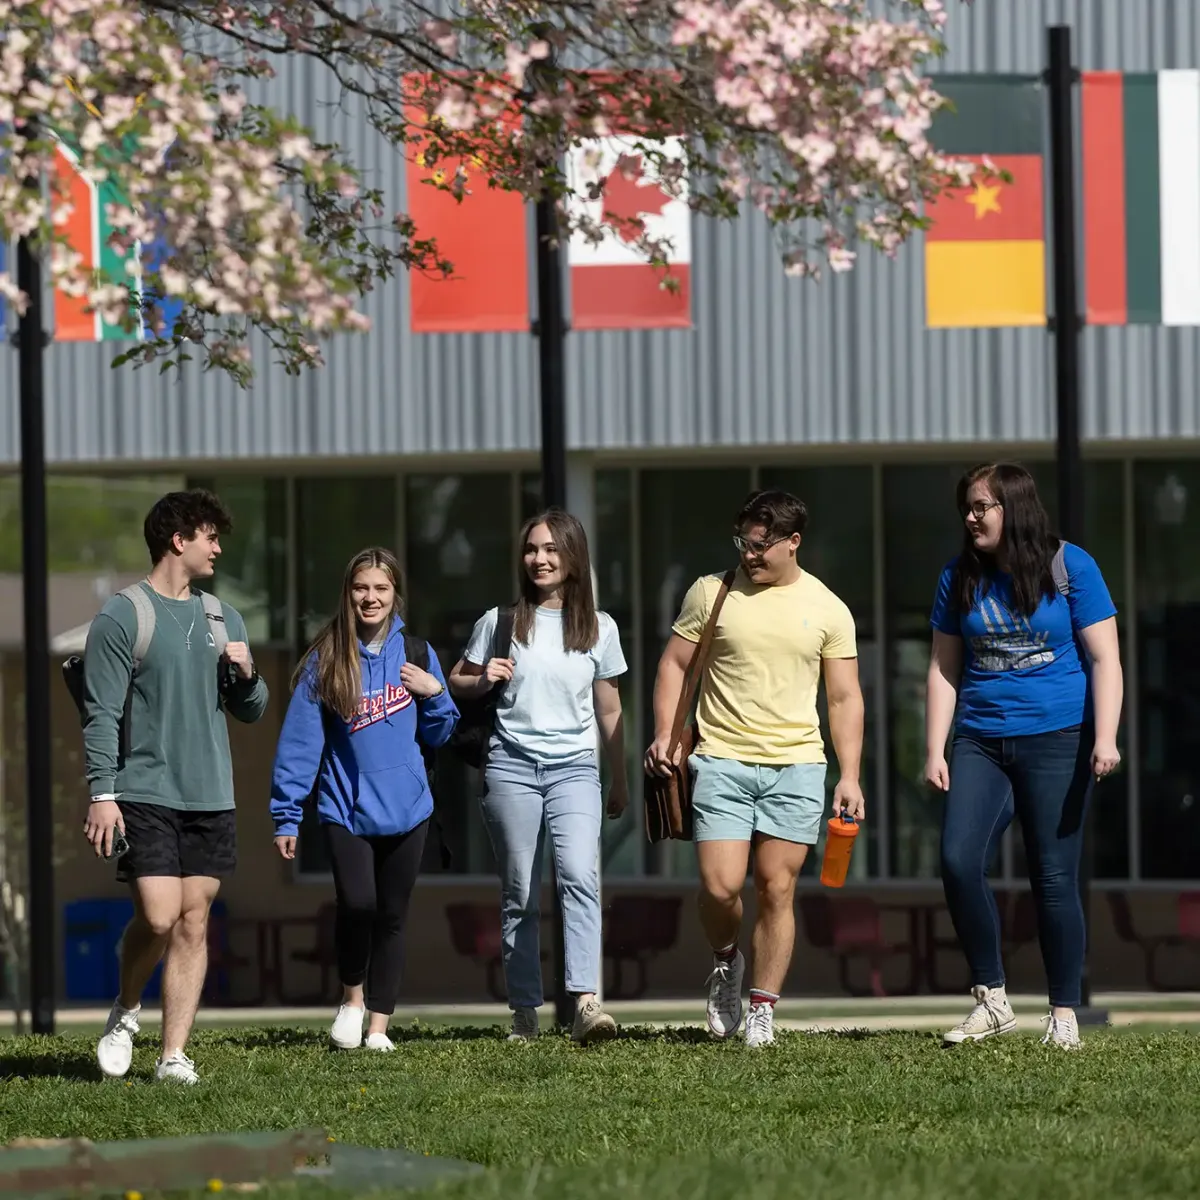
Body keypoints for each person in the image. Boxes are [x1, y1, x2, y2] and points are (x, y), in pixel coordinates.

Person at [646, 489, 865, 1048]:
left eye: (762, 545)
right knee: (720, 888)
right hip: (720, 760)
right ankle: (726, 963)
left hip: (796, 765)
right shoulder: (711, 592)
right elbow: (673, 664)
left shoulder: (828, 607)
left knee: (777, 887)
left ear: (794, 543)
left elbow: (843, 698)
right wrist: (667, 735)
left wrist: (850, 774)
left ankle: (763, 1010)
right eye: (743, 541)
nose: (749, 553)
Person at [924, 462, 1122, 1050]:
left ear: (1014, 507)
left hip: (1059, 736)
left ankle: (1063, 1014)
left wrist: (1105, 737)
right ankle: (992, 997)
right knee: (958, 861)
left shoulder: (1070, 566)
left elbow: (1106, 658)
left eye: (982, 506)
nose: (970, 516)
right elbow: (943, 667)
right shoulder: (958, 575)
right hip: (980, 738)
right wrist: (935, 747)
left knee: (1053, 876)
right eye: (967, 506)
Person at [83, 489, 269, 1084]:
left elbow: (253, 710)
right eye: (210, 536)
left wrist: (247, 675)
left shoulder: (224, 616)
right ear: (178, 539)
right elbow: (101, 714)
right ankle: (126, 1009)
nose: (218, 548)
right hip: (144, 790)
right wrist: (101, 793)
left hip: (211, 792)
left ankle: (172, 1056)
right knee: (160, 917)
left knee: (194, 921)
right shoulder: (122, 615)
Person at [448, 509, 628, 1045]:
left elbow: (610, 710)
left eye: (551, 549)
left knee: (579, 874)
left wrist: (617, 779)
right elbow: (456, 680)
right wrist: (482, 678)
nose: (540, 559)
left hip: (575, 768)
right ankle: (524, 1013)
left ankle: (586, 1002)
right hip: (512, 767)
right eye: (532, 549)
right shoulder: (499, 622)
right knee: (521, 891)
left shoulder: (599, 627)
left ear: (573, 556)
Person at [269, 548, 458, 1051]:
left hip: (408, 810)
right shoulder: (326, 660)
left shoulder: (416, 653)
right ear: (348, 593)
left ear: (395, 594)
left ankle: (378, 1027)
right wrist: (286, 817)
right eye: (361, 588)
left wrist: (435, 692)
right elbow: (300, 744)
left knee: (393, 915)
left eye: (380, 588)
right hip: (344, 808)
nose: (370, 598)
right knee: (358, 903)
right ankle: (352, 998)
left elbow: (441, 734)